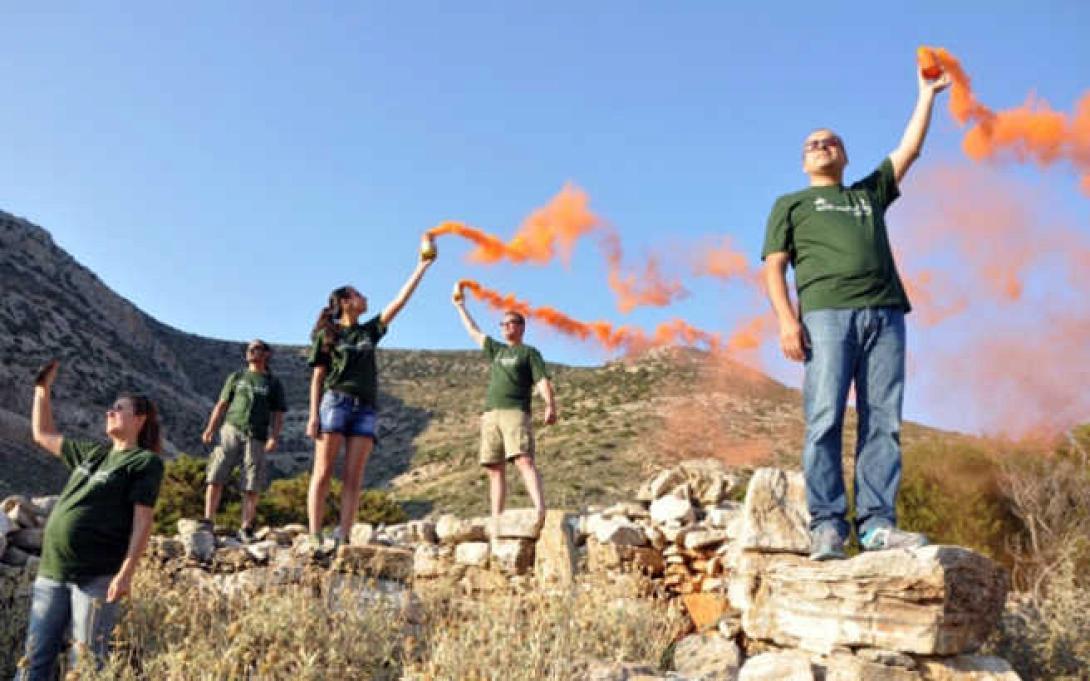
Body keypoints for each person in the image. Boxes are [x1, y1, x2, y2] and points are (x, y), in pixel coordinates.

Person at [761, 68, 951, 560]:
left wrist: (925, 96)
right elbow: (774, 267)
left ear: (843, 156)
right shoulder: (792, 204)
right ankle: (827, 525)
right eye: (813, 143)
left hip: (885, 315)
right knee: (823, 418)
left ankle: (876, 526)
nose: (822, 145)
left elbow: (908, 151)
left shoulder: (867, 194)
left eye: (831, 142)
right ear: (804, 161)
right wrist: (786, 320)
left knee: (882, 421)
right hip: (825, 317)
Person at [18, 360, 165, 679]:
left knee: (86, 665)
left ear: (139, 419)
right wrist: (41, 390)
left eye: (119, 408)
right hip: (53, 569)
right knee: (34, 660)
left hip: (96, 575)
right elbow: (42, 434)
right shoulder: (92, 454)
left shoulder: (144, 462)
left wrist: (126, 573)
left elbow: (143, 521)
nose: (109, 412)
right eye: (110, 408)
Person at [303, 242, 436, 550]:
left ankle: (344, 536)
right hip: (335, 403)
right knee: (322, 472)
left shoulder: (369, 331)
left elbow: (399, 302)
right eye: (358, 294)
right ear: (346, 301)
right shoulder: (329, 334)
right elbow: (318, 377)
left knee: (354, 477)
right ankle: (314, 535)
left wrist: (422, 266)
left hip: (366, 409)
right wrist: (313, 416)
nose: (365, 297)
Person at [452, 284, 557, 535]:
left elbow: (542, 380)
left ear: (522, 327)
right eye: (504, 324)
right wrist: (460, 306)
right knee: (493, 467)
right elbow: (474, 332)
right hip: (491, 414)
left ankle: (540, 509)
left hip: (515, 412)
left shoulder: (529, 353)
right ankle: (496, 519)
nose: (508, 326)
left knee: (523, 460)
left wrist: (550, 404)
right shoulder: (497, 351)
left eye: (513, 322)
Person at [200, 339, 287, 542]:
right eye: (249, 349)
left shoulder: (272, 382)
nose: (251, 352)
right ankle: (208, 520)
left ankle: (246, 526)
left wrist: (274, 436)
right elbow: (222, 404)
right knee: (216, 473)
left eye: (256, 349)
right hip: (231, 428)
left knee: (252, 480)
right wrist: (211, 428)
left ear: (266, 354)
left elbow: (278, 413)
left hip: (256, 434)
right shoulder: (237, 376)